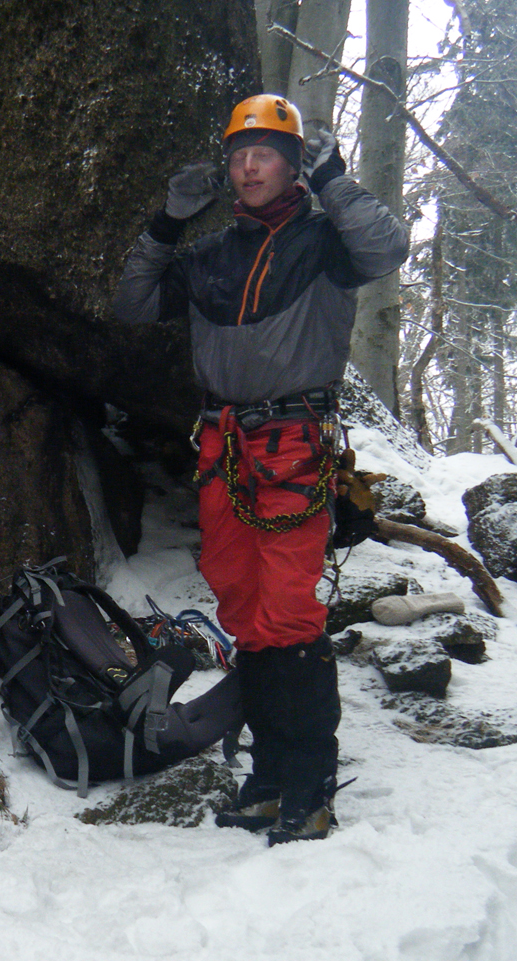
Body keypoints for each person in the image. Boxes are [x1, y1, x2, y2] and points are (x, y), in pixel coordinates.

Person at [112, 94, 409, 845]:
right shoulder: (210, 257)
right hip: (224, 452)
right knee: (246, 613)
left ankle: (308, 783)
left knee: (286, 614)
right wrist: (168, 223)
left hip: (294, 451)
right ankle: (273, 779)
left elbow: (388, 249)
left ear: (292, 163)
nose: (249, 166)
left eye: (266, 153)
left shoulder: (326, 243)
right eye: (239, 155)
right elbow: (132, 302)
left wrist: (335, 178)